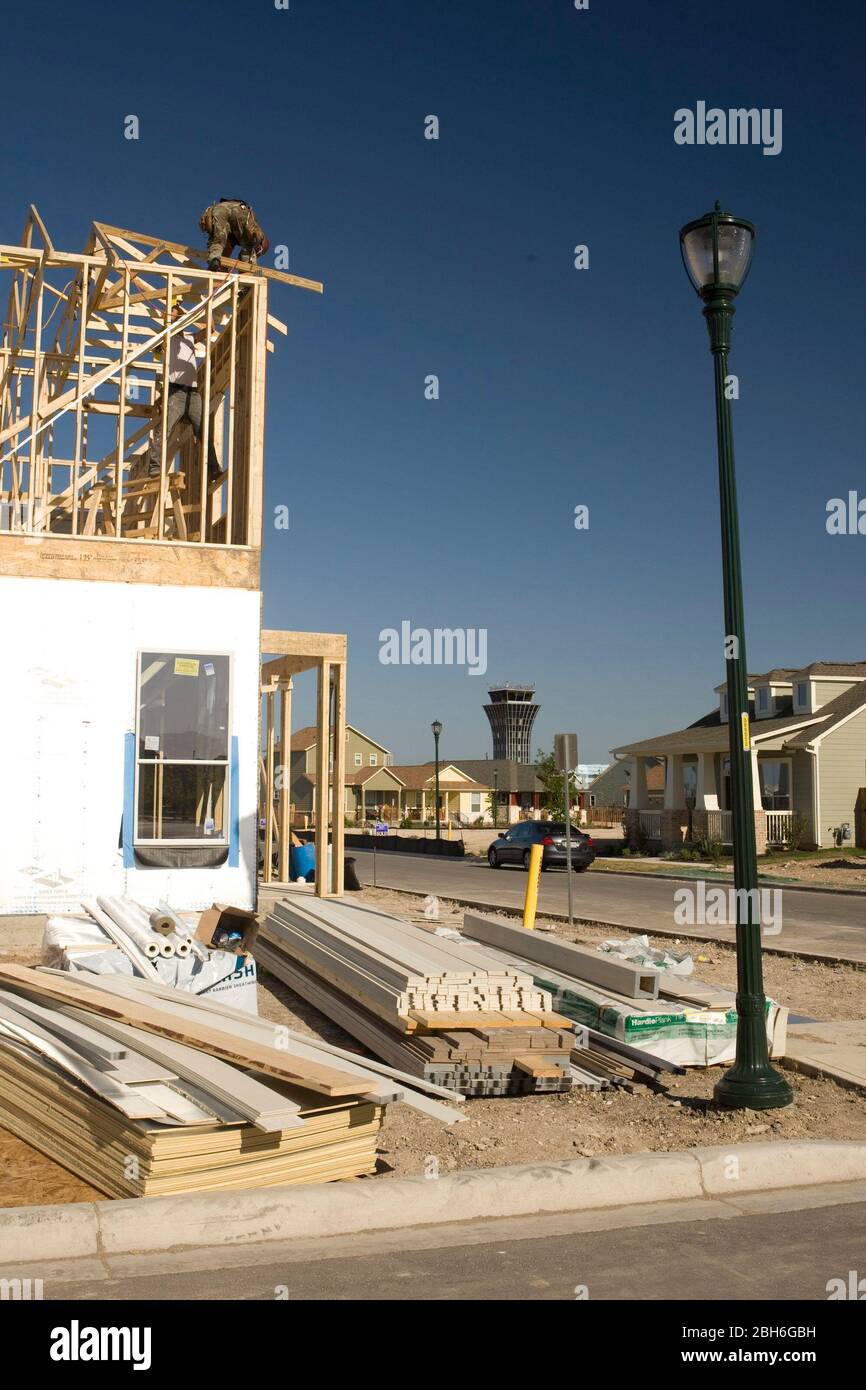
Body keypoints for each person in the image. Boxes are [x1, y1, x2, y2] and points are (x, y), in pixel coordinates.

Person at [146, 303, 221, 481]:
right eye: (173, 313)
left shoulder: (189, 336)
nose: (176, 315)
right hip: (175, 390)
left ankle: (213, 469)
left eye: (178, 313)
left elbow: (209, 330)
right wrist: (172, 316)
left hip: (193, 393)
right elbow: (159, 343)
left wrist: (208, 311)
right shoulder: (167, 336)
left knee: (203, 431)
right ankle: (155, 468)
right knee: (164, 429)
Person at [199, 198, 269, 271]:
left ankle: (214, 258)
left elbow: (224, 255)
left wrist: (219, 267)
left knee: (217, 240)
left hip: (220, 208)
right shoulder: (257, 239)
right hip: (240, 210)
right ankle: (247, 271)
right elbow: (256, 240)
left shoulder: (231, 239)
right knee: (248, 250)